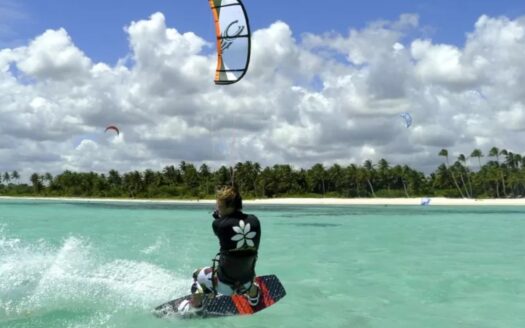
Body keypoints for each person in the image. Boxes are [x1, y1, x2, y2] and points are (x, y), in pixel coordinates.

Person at [177, 185, 261, 315]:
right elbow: (232, 227)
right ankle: (254, 296)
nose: (217, 209)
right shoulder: (255, 221)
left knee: (196, 274)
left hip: (224, 285)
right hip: (247, 281)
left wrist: (219, 218)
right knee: (244, 262)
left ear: (230, 206)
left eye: (219, 206)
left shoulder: (218, 224)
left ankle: (196, 306)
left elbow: (223, 228)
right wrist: (222, 217)